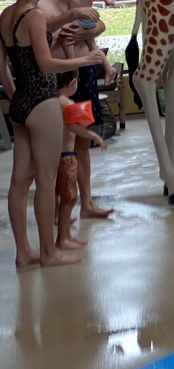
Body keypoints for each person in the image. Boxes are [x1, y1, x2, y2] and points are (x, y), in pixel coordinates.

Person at [0, 0, 105, 268]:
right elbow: (45, 63)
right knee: (46, 180)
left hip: (20, 102)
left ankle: (24, 252)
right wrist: (83, 60)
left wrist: (72, 13)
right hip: (43, 100)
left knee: (19, 183)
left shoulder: (7, 15)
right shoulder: (32, 16)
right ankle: (48, 251)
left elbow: (4, 66)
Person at [24, 0, 115, 219]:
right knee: (55, 143)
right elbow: (44, 28)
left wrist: (81, 33)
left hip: (80, 74)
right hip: (53, 76)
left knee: (82, 141)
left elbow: (97, 23)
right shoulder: (29, 6)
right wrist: (70, 17)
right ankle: (55, 207)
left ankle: (86, 202)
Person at [55, 71, 108, 250]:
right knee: (69, 198)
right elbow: (73, 127)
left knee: (59, 196)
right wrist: (93, 135)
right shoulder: (68, 103)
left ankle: (65, 235)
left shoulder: (50, 103)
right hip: (67, 158)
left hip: (53, 157)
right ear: (74, 82)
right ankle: (63, 238)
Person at [65, 0, 119, 85]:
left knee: (67, 35)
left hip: (85, 19)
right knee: (93, 48)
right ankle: (108, 68)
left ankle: (72, 67)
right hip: (79, 19)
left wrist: (107, 0)